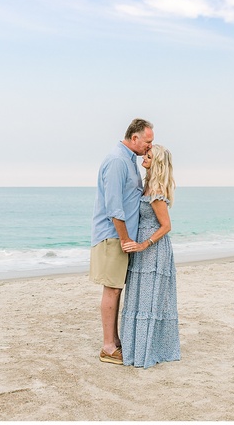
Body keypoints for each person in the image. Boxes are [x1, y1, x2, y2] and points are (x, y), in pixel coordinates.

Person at [90, 118, 154, 365]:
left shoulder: (129, 161)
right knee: (112, 288)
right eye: (147, 141)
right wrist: (126, 239)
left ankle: (114, 341)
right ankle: (108, 347)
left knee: (116, 288)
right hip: (112, 235)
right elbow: (114, 207)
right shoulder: (118, 161)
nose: (150, 146)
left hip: (120, 235)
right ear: (134, 138)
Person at [120, 144, 180, 369]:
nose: (144, 157)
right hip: (142, 249)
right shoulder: (146, 185)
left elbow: (166, 226)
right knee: (139, 297)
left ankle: (148, 350)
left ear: (157, 163)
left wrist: (145, 244)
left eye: (149, 156)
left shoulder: (156, 191)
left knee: (150, 300)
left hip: (153, 250)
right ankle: (136, 348)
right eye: (146, 153)